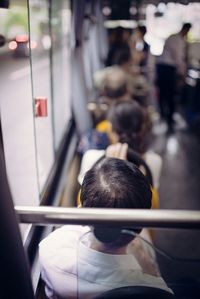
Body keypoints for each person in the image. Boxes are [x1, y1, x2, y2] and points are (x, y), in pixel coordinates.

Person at [39, 158, 173, 299]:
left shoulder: (50, 250)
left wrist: (110, 183)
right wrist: (146, 263)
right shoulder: (150, 289)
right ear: (141, 225)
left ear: (81, 213)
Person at [78, 100, 162, 192]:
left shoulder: (91, 158)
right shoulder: (154, 161)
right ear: (142, 128)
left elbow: (84, 195)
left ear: (109, 128)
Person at [156, 23, 192, 131]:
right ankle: (168, 119)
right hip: (167, 69)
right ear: (186, 30)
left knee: (164, 94)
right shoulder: (178, 40)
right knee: (169, 95)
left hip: (163, 69)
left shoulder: (175, 38)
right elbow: (178, 59)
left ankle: (164, 117)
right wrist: (182, 73)